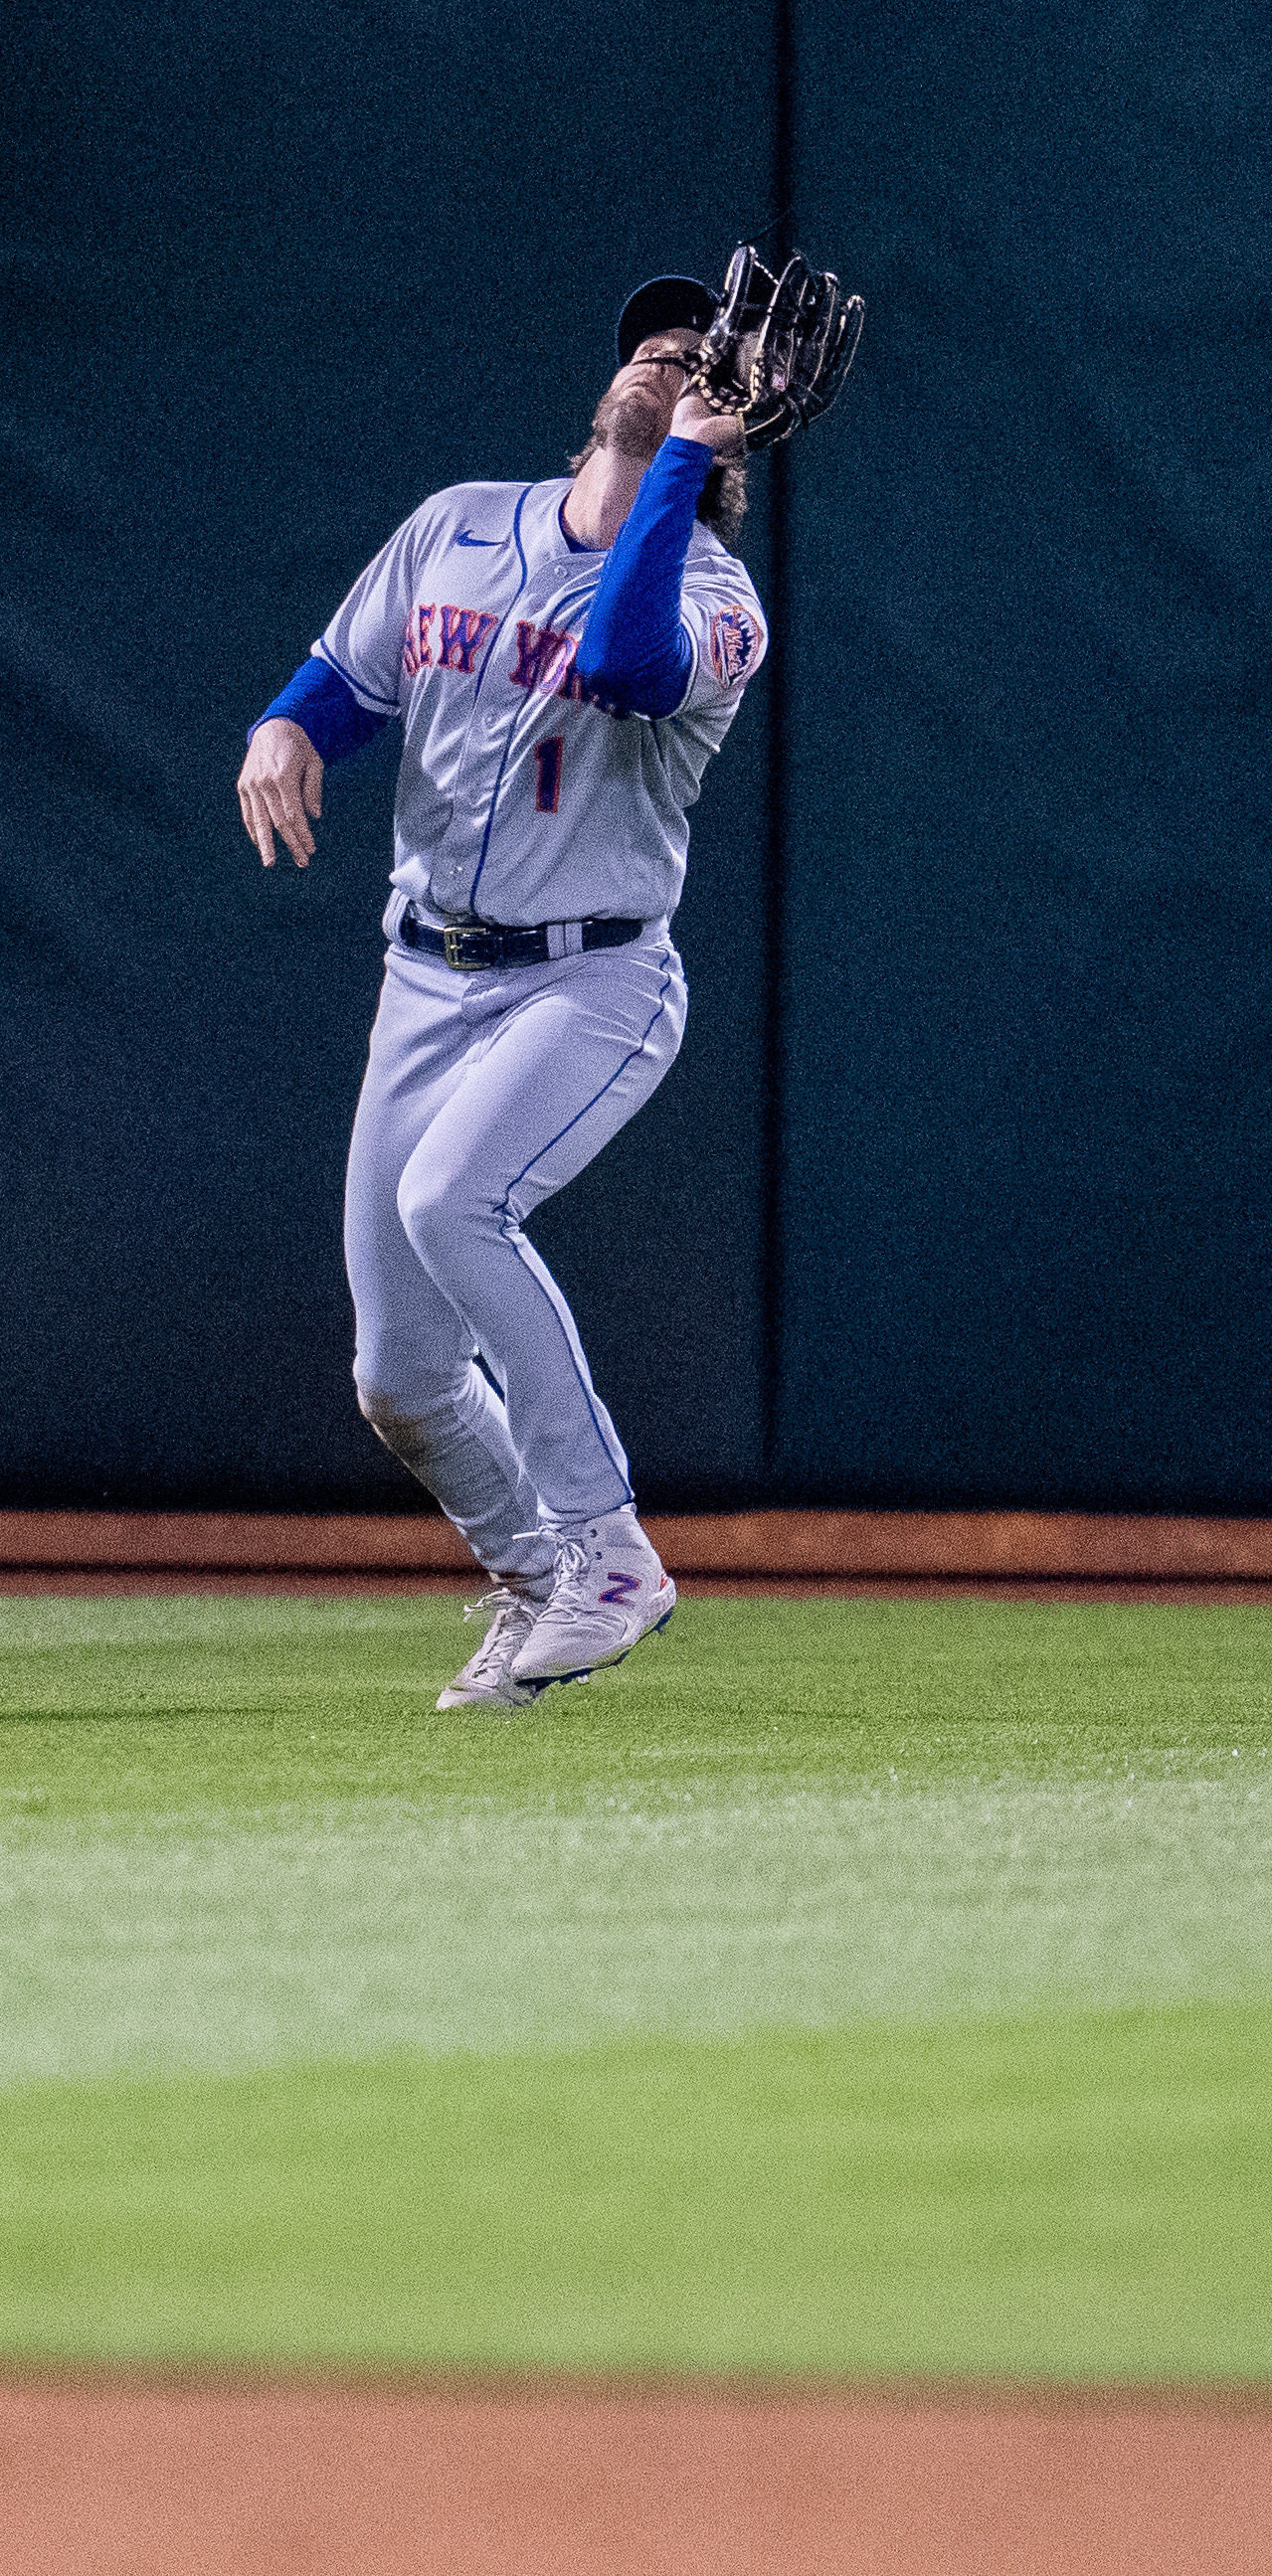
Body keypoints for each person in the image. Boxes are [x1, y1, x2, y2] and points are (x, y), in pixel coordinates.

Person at [235, 273, 772, 1711]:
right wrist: (286, 726)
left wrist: (687, 465)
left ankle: (609, 1553)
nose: (671, 361)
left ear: (733, 436)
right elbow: (349, 679)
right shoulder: (459, 521)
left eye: (704, 364)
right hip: (425, 973)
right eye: (656, 348)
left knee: (453, 1200)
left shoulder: (720, 604)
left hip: (588, 981)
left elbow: (619, 657)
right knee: (400, 1376)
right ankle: (538, 1580)